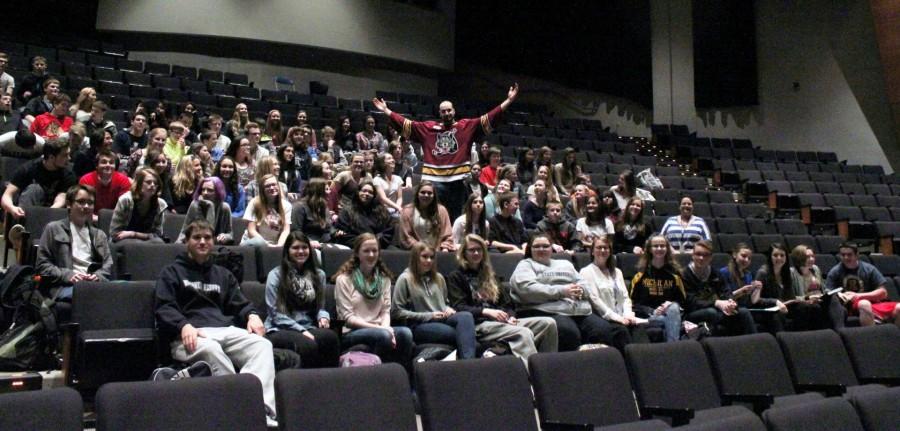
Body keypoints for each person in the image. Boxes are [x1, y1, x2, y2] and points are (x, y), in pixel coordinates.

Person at [155, 220, 278, 427]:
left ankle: (261, 408)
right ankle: (242, 411)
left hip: (223, 329)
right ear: (186, 241)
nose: (202, 242)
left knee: (262, 345)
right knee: (212, 350)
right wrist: (183, 325)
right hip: (189, 333)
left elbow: (240, 303)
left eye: (207, 238)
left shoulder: (223, 274)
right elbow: (164, 307)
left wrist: (252, 315)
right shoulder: (172, 272)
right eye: (197, 238)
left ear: (213, 241)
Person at [373, 83, 519, 221]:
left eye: (449, 110)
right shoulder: (428, 128)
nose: (447, 113)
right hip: (434, 181)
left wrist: (509, 100)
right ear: (439, 113)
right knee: (432, 217)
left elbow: (489, 118)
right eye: (443, 111)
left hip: (458, 181)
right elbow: (406, 124)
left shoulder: (466, 126)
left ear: (454, 111)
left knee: (455, 217)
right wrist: (386, 110)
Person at [447, 234, 557, 359]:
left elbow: (507, 304)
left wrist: (510, 316)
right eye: (472, 250)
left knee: (548, 324)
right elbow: (459, 307)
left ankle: (548, 364)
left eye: (479, 249)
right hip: (480, 325)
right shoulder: (456, 276)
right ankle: (534, 373)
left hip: (502, 322)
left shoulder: (490, 275)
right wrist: (486, 311)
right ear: (464, 253)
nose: (476, 253)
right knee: (523, 333)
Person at [510, 233, 606, 351]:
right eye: (537, 246)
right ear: (530, 249)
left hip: (577, 310)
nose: (541, 249)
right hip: (545, 310)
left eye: (545, 246)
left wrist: (580, 290)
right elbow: (527, 289)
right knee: (568, 332)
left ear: (552, 248)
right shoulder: (526, 265)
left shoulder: (565, 264)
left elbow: (584, 284)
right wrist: (562, 291)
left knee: (602, 329)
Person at [334, 233, 414, 365]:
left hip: (379, 328)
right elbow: (348, 318)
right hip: (352, 332)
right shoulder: (344, 280)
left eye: (374, 251)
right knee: (383, 336)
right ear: (357, 254)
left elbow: (385, 311)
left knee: (406, 333)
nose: (371, 255)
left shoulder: (384, 279)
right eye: (366, 251)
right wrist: (381, 329)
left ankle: (401, 376)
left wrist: (385, 327)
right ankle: (378, 376)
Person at [265, 232, 340, 368]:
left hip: (308, 325)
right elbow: (275, 314)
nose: (301, 251)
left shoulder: (319, 275)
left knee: (331, 338)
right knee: (307, 344)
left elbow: (320, 306)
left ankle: (329, 382)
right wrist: (301, 331)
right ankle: (306, 385)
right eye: (295, 248)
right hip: (280, 328)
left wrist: (323, 317)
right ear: (287, 251)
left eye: (304, 247)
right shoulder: (276, 275)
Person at [393, 242, 477, 359]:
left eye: (432, 257)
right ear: (415, 258)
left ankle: (469, 362)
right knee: (463, 334)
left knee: (466, 316)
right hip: (420, 324)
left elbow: (445, 303)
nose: (429, 260)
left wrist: (448, 308)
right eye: (424, 257)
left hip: (442, 318)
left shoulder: (439, 278)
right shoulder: (405, 279)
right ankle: (468, 361)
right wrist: (429, 315)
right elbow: (397, 312)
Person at [36, 184, 113, 301]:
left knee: (124, 289)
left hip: (94, 285)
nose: (86, 206)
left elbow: (108, 265)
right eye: (81, 202)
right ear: (69, 204)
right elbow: (42, 265)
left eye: (90, 203)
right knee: (90, 295)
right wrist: (68, 275)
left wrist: (97, 276)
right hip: (64, 285)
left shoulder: (99, 235)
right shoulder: (53, 229)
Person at [681, 240, 756, 336]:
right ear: (692, 255)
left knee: (743, 312)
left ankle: (754, 342)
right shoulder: (684, 274)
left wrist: (730, 302)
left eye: (706, 255)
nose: (701, 258)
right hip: (692, 312)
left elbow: (725, 291)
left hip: (714, 308)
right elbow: (690, 301)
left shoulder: (715, 273)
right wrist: (716, 303)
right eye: (698, 254)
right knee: (712, 313)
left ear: (711, 257)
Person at [579, 236, 641, 351]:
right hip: (603, 318)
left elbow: (625, 297)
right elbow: (595, 300)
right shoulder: (586, 272)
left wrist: (627, 314)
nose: (602, 250)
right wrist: (617, 318)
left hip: (623, 317)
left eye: (606, 248)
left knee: (638, 328)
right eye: (599, 248)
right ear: (592, 251)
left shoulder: (617, 272)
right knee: (621, 331)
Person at [826, 243, 899, 328]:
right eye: (843, 255)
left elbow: (883, 293)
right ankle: (873, 336)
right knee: (864, 304)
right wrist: (840, 295)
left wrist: (858, 296)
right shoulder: (835, 272)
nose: (846, 258)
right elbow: (828, 293)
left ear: (857, 255)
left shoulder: (869, 269)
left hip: (872, 302)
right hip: (848, 306)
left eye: (849, 255)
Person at [1, 139, 76, 221]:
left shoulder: (68, 174)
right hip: (26, 211)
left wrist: (42, 214)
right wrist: (12, 208)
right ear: (51, 157)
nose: (69, 158)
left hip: (51, 213)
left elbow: (61, 200)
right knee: (34, 189)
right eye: (65, 155)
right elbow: (7, 195)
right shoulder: (29, 169)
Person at [629, 235, 685, 342]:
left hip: (670, 313)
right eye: (656, 246)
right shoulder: (640, 273)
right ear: (649, 249)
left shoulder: (675, 274)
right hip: (649, 316)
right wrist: (653, 311)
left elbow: (682, 300)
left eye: (662, 246)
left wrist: (669, 304)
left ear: (667, 249)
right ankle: (674, 346)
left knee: (673, 308)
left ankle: (672, 344)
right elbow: (632, 303)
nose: (659, 248)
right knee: (670, 320)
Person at [789, 245, 845, 330]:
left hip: (820, 299)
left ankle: (840, 330)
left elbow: (824, 288)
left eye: (812, 256)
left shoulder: (815, 269)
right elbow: (790, 297)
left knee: (834, 299)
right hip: (806, 303)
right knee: (816, 308)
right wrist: (808, 298)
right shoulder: (792, 273)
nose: (812, 259)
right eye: (808, 257)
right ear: (799, 258)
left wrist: (836, 292)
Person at [110, 167, 168, 244]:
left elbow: (158, 234)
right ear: (139, 184)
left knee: (159, 242)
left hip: (146, 241)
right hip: (123, 241)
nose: (152, 185)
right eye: (148, 182)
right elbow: (115, 234)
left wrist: (133, 234)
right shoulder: (126, 200)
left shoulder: (161, 204)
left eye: (155, 183)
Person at [333, 179, 395, 249]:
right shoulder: (347, 211)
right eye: (364, 191)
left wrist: (375, 242)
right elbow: (343, 234)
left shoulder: (382, 211)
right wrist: (363, 243)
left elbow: (388, 231)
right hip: (353, 247)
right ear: (358, 192)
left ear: (374, 196)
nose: (367, 194)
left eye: (370, 192)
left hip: (378, 245)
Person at [399, 181, 455, 251]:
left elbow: (447, 235)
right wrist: (423, 250)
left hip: (438, 253)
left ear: (434, 195)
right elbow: (406, 237)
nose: (426, 195)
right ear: (417, 194)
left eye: (429, 193)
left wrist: (445, 249)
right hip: (415, 253)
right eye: (423, 192)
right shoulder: (407, 211)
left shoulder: (441, 210)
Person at [177, 177, 233, 244]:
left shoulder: (225, 207)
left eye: (210, 190)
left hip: (216, 246)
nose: (205, 193)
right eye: (203, 190)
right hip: (196, 243)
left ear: (218, 192)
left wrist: (225, 236)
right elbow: (184, 231)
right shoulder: (195, 205)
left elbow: (230, 234)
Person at [241, 174, 291, 248]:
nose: (271, 188)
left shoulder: (286, 205)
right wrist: (267, 245)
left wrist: (279, 246)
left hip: (275, 244)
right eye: (267, 186)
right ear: (262, 190)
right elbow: (251, 230)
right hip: (253, 244)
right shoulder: (254, 202)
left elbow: (286, 231)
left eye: (274, 184)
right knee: (259, 242)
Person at [753, 244, 792, 333]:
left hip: (782, 307)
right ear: (770, 257)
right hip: (766, 310)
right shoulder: (762, 273)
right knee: (777, 315)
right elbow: (755, 300)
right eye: (775, 255)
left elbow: (790, 296)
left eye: (782, 255)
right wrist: (775, 301)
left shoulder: (786, 273)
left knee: (806, 308)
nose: (779, 258)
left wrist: (805, 299)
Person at [79, 149, 131, 214]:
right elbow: (82, 206)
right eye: (104, 162)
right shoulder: (86, 180)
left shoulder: (123, 180)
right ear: (96, 166)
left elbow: (124, 209)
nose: (108, 165)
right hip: (90, 219)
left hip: (115, 220)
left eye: (111, 162)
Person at [290, 178, 336, 248]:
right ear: (318, 191)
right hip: (307, 245)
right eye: (326, 189)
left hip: (326, 243)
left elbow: (328, 229)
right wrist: (309, 241)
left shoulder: (324, 207)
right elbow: (295, 231)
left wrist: (336, 232)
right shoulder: (299, 207)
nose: (329, 192)